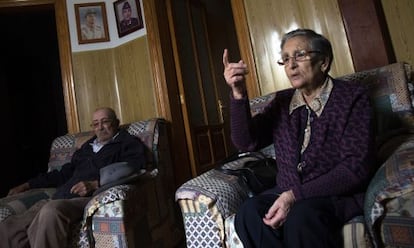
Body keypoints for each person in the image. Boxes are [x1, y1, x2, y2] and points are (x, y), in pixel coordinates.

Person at [222, 28, 376, 247]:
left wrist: (294, 196)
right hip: (288, 191)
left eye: (300, 55)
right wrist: (238, 93)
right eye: (285, 59)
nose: (291, 65)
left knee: (301, 217)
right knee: (249, 213)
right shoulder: (283, 102)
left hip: (333, 194)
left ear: (323, 61)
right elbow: (246, 142)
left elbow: (355, 168)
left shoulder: (352, 98)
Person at [0, 107, 146, 248]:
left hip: (88, 198)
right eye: (96, 124)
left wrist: (96, 183)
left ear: (116, 122)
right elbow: (63, 174)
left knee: (51, 211)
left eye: (105, 121)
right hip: (60, 196)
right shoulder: (86, 148)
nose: (100, 127)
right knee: (8, 227)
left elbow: (132, 167)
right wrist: (27, 185)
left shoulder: (127, 143)